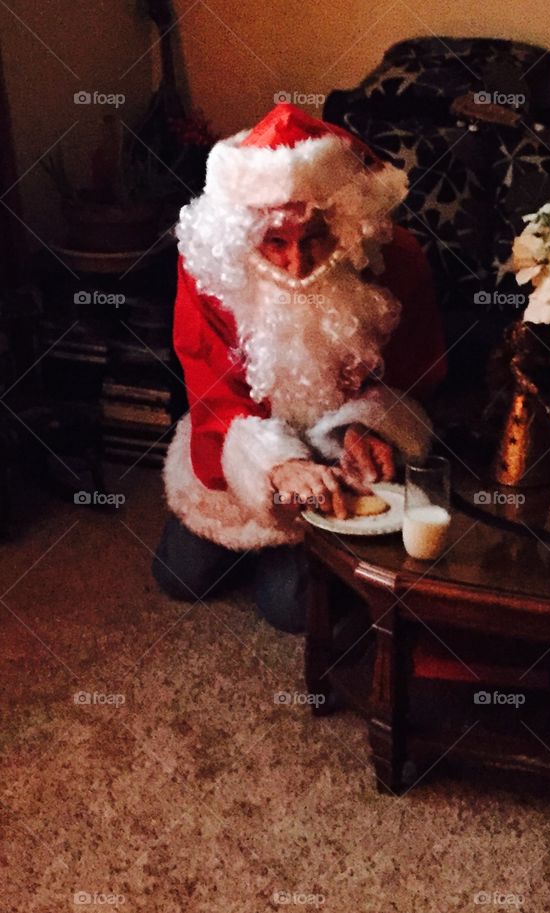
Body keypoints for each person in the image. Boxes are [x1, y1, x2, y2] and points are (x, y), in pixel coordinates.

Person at [152, 103, 447, 632]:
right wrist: (272, 465)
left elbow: (415, 368)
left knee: (289, 611)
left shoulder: (396, 257)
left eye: (314, 237)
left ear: (348, 222)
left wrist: (365, 427)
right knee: (180, 578)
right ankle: (273, 545)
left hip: (336, 450)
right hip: (241, 436)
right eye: (275, 242)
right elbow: (208, 375)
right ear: (245, 236)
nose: (297, 263)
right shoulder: (208, 267)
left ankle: (294, 561)